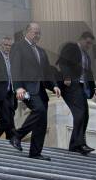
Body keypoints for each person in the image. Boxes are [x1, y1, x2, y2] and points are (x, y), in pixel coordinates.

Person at [9, 22, 61, 161]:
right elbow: (15, 67)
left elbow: (47, 73)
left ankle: (35, 152)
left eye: (39, 33)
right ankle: (17, 135)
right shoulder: (18, 46)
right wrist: (18, 87)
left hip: (40, 91)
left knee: (42, 121)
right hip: (26, 88)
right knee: (39, 110)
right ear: (27, 31)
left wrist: (54, 85)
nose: (37, 35)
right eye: (35, 32)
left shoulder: (41, 51)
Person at [57, 31, 96, 155]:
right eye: (87, 43)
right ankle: (78, 144)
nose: (88, 46)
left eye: (90, 44)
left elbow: (89, 73)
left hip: (81, 86)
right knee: (80, 113)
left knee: (84, 114)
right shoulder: (71, 47)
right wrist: (66, 76)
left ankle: (76, 144)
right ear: (81, 39)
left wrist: (95, 88)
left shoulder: (86, 56)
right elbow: (63, 61)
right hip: (71, 84)